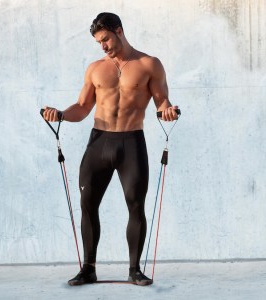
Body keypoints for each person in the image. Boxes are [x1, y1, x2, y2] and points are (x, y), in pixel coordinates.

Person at [43, 12, 179, 286]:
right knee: (88, 204)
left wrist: (169, 112)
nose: (103, 46)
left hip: (131, 143)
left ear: (119, 31)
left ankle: (134, 270)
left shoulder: (149, 64)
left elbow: (162, 101)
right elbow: (81, 108)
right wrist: (60, 114)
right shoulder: (95, 69)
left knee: (136, 205)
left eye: (105, 39)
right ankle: (88, 268)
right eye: (98, 42)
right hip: (99, 142)